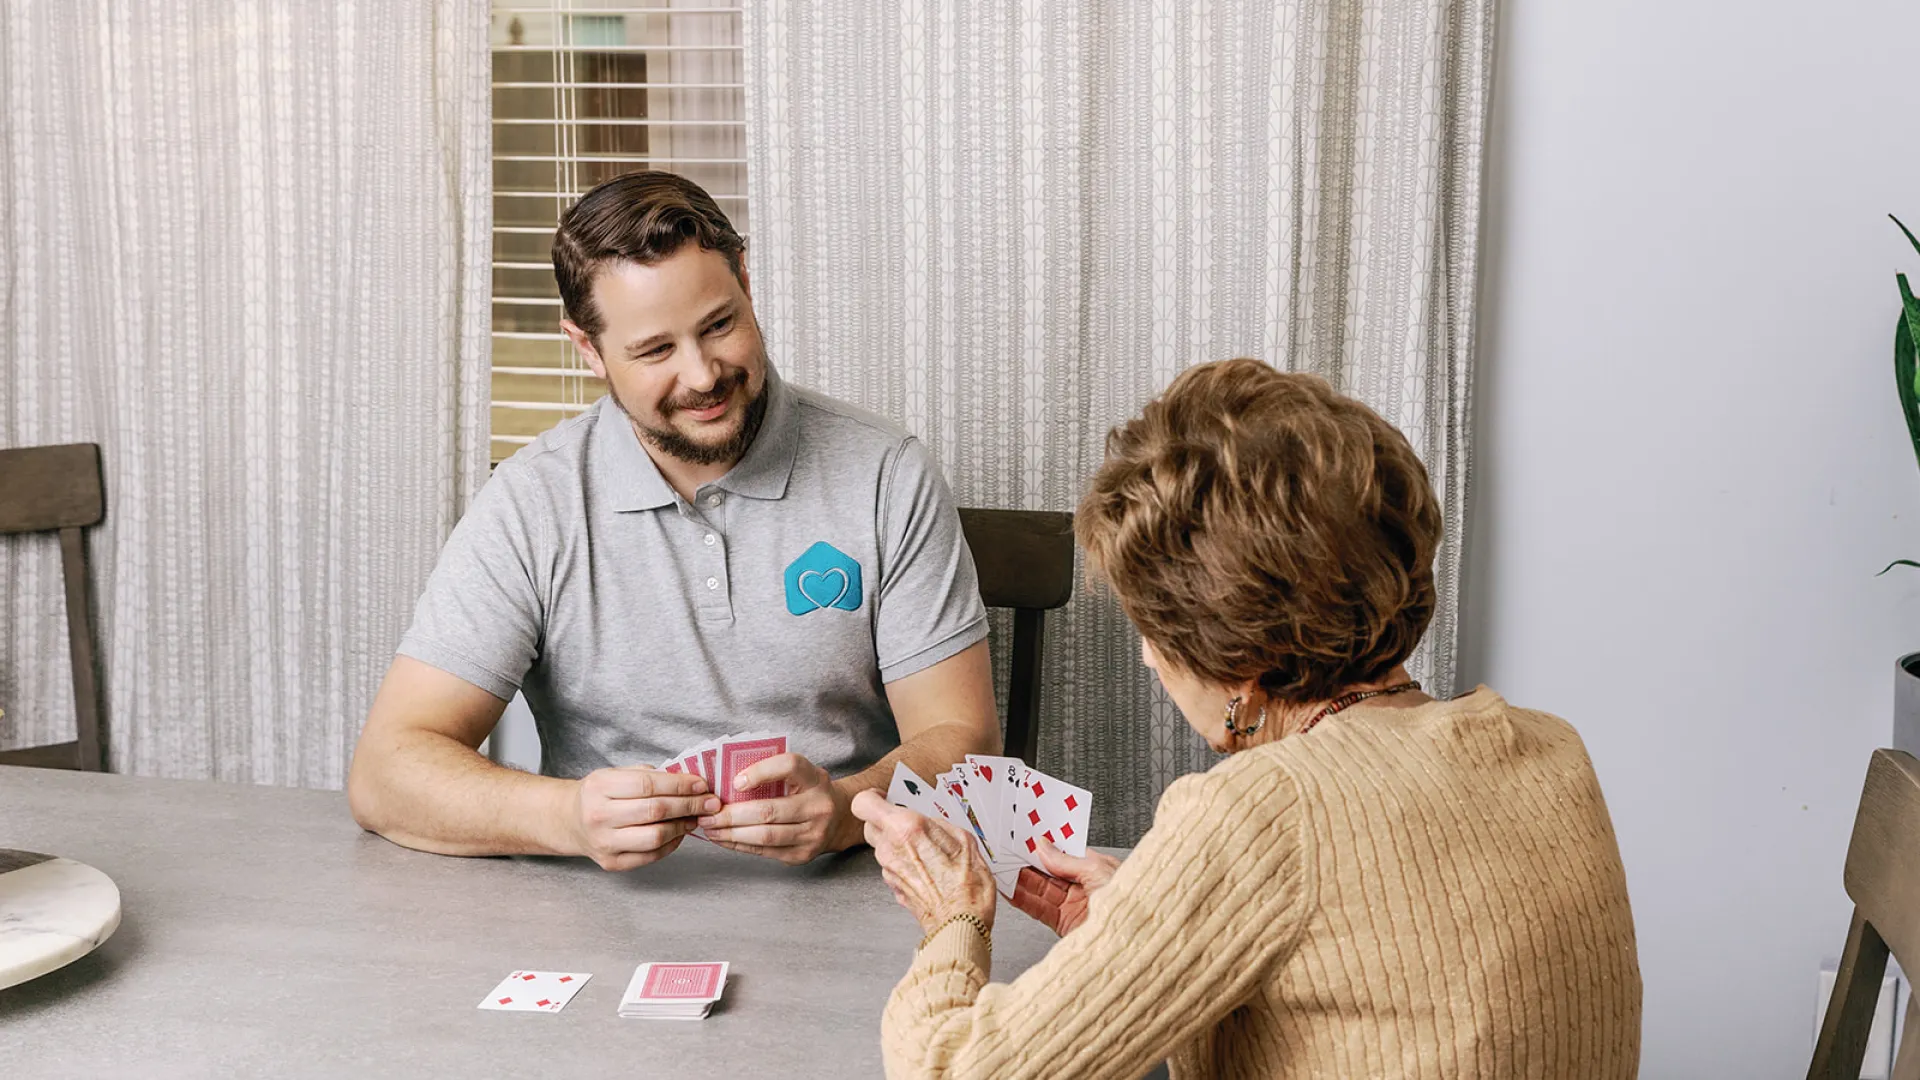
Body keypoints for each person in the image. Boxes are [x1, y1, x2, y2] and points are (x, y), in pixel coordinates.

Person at [852, 359, 1642, 1078]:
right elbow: (1386, 969)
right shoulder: (1551, 751)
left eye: (1152, 633)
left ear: (1240, 667)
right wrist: (1150, 915)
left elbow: (953, 1071)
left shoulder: (1259, 811)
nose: (1147, 660)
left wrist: (953, 920)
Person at [348, 172, 1001, 871]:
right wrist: (567, 818)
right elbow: (386, 772)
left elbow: (964, 737)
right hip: (606, 912)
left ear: (745, 282)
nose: (701, 375)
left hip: (850, 889)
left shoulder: (885, 474)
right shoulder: (532, 501)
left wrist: (843, 811)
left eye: (719, 325)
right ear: (588, 349)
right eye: (656, 351)